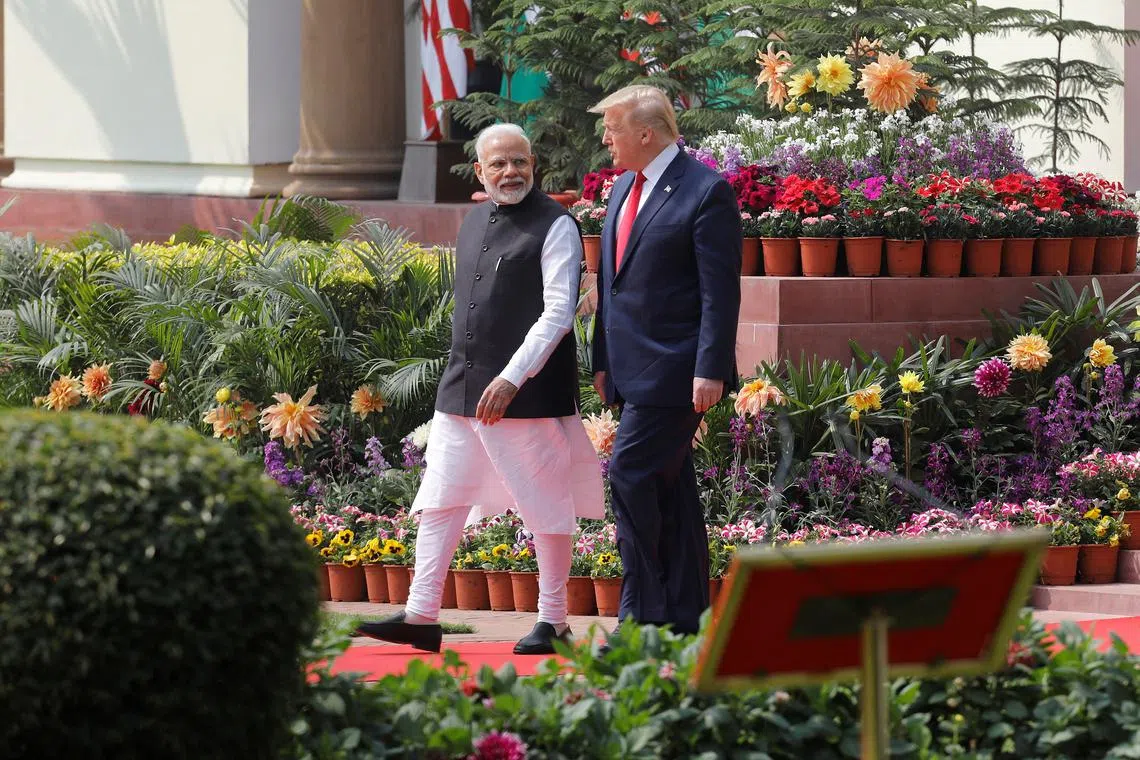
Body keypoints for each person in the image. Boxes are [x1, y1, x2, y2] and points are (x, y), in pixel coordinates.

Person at [356, 123, 604, 655]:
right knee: (440, 499)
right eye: (499, 164)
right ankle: (421, 615)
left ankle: (554, 621)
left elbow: (558, 312)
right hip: (461, 390)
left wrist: (512, 377)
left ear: (534, 164)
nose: (511, 172)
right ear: (480, 171)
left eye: (520, 161)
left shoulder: (556, 224)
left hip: (527, 393)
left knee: (544, 505)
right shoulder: (472, 220)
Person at [589, 85, 742, 635]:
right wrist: (602, 359)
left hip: (678, 372)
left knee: (629, 475)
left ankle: (641, 617)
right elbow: (612, 283)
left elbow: (719, 292)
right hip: (629, 370)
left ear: (646, 132)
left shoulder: (706, 190)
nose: (606, 140)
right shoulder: (622, 187)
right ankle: (685, 617)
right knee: (670, 489)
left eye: (612, 129)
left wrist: (710, 368)